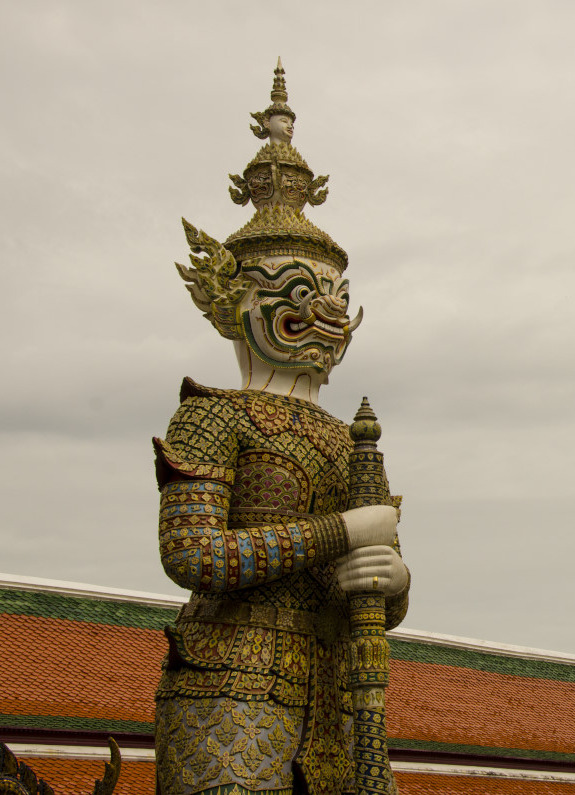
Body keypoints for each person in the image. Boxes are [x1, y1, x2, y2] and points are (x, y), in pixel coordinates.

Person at [154, 62, 407, 795]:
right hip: (227, 688)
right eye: (300, 294)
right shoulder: (211, 413)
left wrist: (393, 579)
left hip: (339, 698)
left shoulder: (350, 440)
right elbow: (194, 556)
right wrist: (343, 533)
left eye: (335, 296)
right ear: (234, 302)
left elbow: (376, 585)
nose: (325, 314)